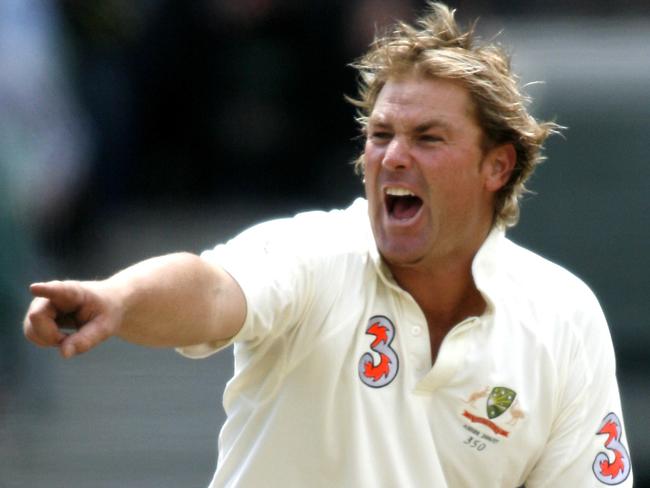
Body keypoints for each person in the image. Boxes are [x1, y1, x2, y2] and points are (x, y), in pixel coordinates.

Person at [23, 3, 632, 486]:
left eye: (427, 137)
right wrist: (118, 297)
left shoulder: (563, 316)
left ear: (496, 166)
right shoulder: (318, 254)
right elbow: (211, 292)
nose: (393, 155)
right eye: (381, 134)